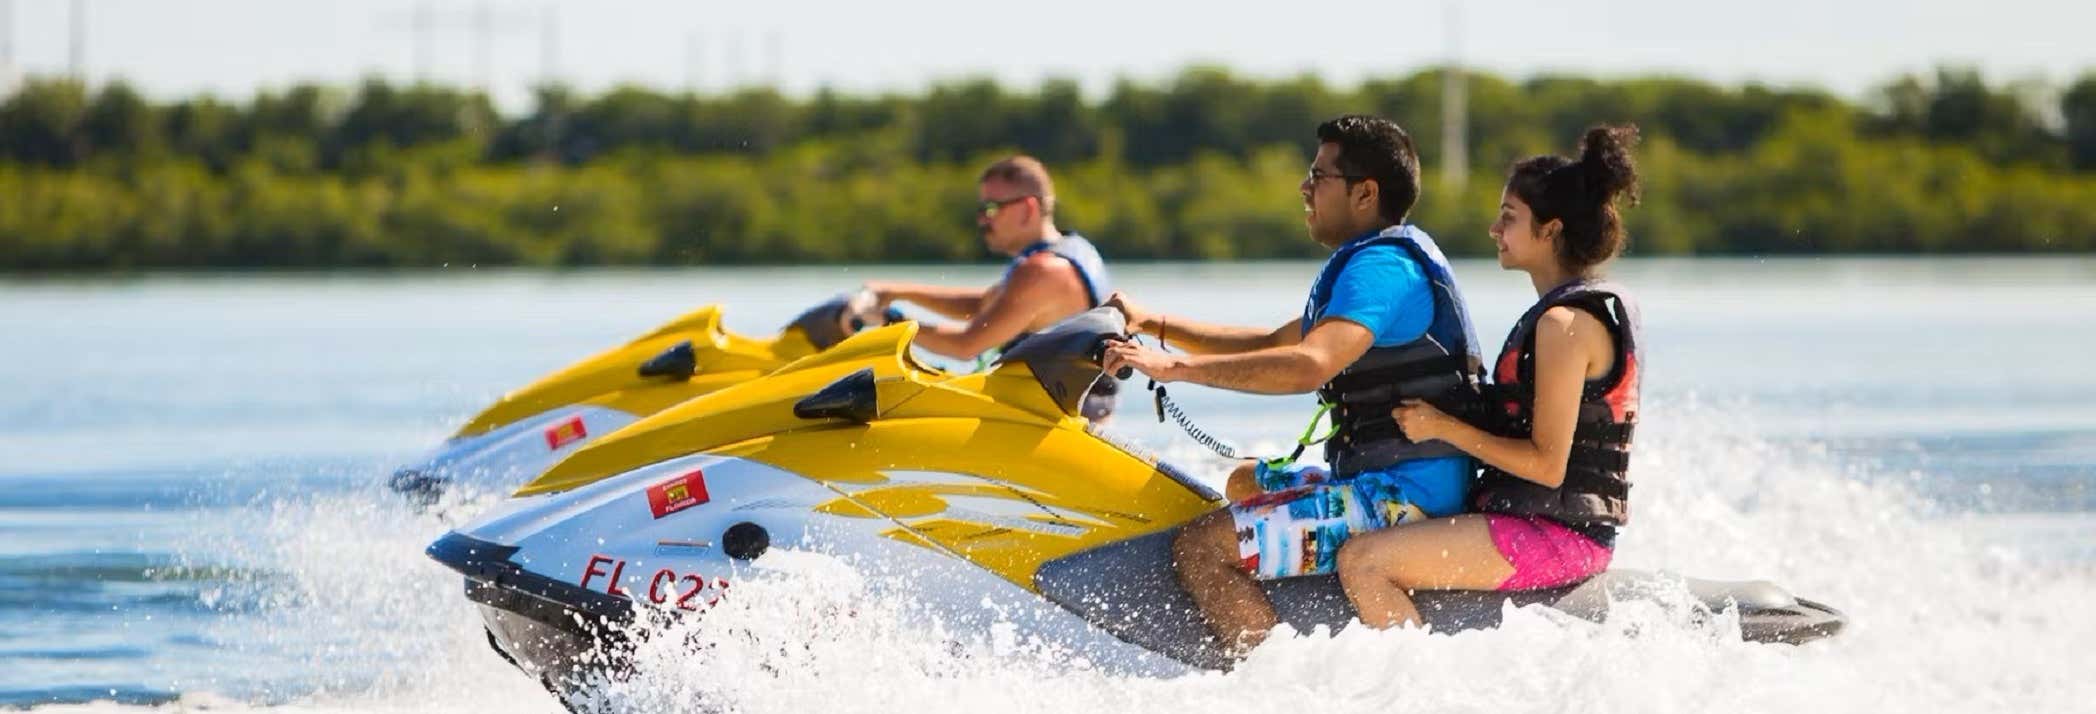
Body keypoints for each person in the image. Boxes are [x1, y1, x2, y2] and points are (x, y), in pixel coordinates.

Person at [1101, 115, 1482, 654]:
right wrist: (1155, 326)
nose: (1305, 188)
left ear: (1365, 192)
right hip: (1389, 482)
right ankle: (1292, 614)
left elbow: (1309, 366)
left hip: (1405, 500)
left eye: (1319, 176)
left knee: (1199, 548)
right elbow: (1271, 341)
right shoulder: (1368, 263)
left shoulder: (1383, 269)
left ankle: (1269, 679)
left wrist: (1175, 369)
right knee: (1243, 484)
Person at [1335, 125, 1645, 631]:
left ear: (1551, 230)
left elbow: (1547, 467)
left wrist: (1442, 426)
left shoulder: (1565, 326)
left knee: (1364, 560)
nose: (1494, 230)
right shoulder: (1563, 314)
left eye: (1509, 218)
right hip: (1536, 522)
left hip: (1562, 537)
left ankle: (1410, 692)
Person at [856, 155, 1118, 418]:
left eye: (991, 208)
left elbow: (966, 346)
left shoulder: (1042, 271)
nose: (982, 219)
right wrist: (897, 292)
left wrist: (889, 322)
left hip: (1065, 418)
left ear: (1028, 208)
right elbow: (983, 305)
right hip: (1069, 410)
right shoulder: (1069, 251)